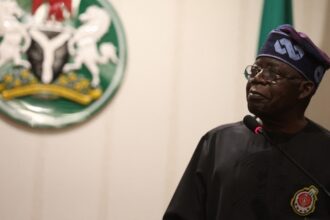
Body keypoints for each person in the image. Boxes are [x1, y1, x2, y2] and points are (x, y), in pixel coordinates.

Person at [163, 24, 330, 220]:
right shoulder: (218, 142)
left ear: (304, 89)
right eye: (255, 70)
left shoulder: (325, 151)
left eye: (271, 74)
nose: (256, 80)